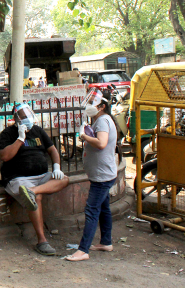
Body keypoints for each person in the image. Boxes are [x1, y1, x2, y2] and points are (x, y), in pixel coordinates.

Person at [0, 103, 70, 255]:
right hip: (18, 178)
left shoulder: (38, 131)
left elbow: (53, 150)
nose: (28, 119)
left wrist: (56, 167)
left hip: (41, 177)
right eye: (24, 117)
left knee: (64, 179)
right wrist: (20, 138)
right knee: (36, 198)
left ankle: (31, 191)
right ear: (16, 119)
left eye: (29, 116)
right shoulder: (8, 134)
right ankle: (42, 241)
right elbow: (5, 156)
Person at [66, 88, 118, 262]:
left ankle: (83, 250)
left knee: (91, 210)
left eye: (93, 103)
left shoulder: (103, 121)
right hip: (102, 174)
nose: (89, 106)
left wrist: (84, 137)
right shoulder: (101, 120)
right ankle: (106, 242)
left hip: (102, 176)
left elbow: (101, 143)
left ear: (102, 106)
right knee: (103, 209)